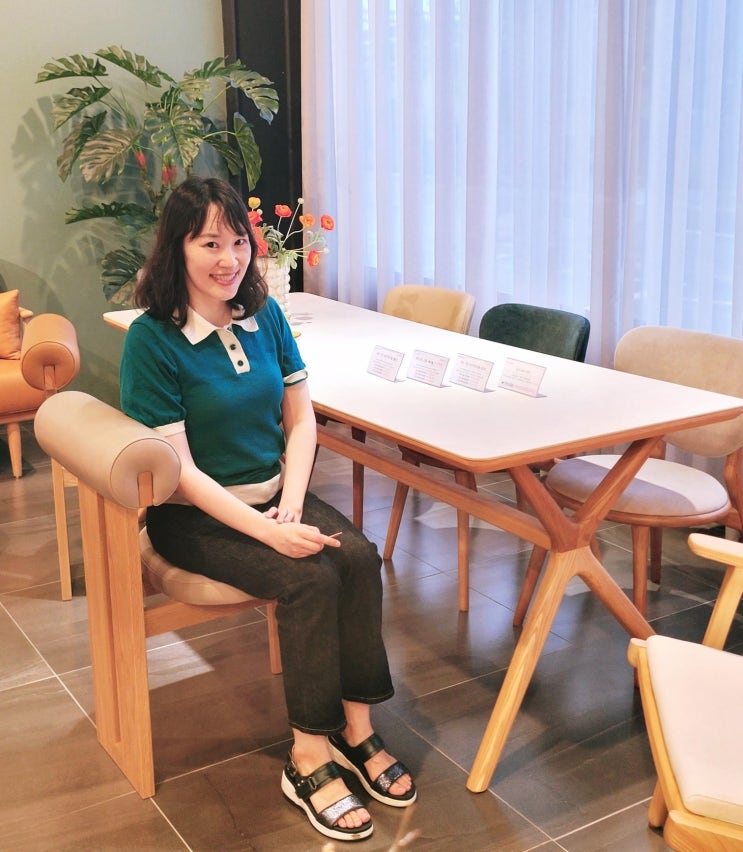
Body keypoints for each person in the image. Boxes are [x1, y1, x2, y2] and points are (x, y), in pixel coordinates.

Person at [119, 176, 415, 842]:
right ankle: (308, 756)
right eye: (208, 243)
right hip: (193, 516)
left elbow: (302, 421)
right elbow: (181, 471)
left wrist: (290, 505)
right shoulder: (153, 340)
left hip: (273, 495)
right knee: (308, 580)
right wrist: (266, 532)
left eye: (237, 241)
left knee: (359, 558)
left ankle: (357, 731)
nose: (228, 259)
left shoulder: (266, 316)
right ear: (177, 248)